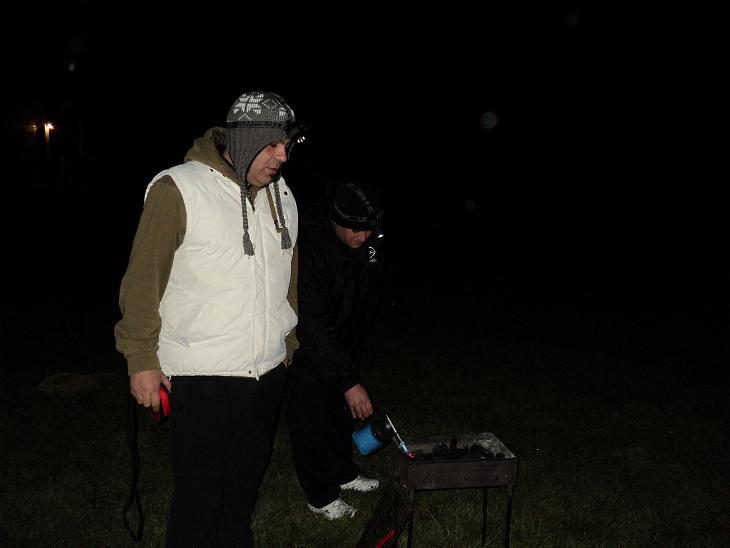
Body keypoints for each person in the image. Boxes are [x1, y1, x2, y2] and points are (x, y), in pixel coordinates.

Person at [114, 90, 306, 546]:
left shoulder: (283, 196)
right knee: (198, 503)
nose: (282, 156)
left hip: (266, 373)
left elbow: (289, 279)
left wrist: (288, 345)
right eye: (272, 144)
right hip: (202, 378)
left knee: (241, 496)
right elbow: (142, 282)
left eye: (287, 144)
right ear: (243, 139)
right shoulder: (178, 190)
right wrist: (141, 360)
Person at [285, 180, 385, 520]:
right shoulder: (311, 249)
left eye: (369, 230)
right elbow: (311, 322)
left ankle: (343, 472)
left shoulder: (370, 243)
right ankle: (320, 495)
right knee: (311, 420)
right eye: (356, 229)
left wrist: (350, 364)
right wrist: (349, 381)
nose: (363, 237)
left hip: (344, 341)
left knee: (341, 414)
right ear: (336, 221)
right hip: (308, 348)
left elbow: (371, 284)